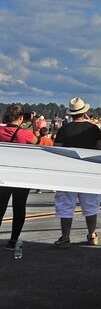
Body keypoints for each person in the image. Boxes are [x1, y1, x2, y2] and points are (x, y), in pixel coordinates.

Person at [53, 96, 101, 248]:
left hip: (68, 171)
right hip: (88, 171)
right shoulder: (94, 129)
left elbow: (57, 149)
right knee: (90, 205)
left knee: (66, 206)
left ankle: (65, 237)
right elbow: (100, 149)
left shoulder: (64, 129)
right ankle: (92, 235)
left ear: (71, 113)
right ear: (84, 112)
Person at [0, 104, 37, 250]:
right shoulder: (24, 134)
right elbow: (37, 141)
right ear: (21, 118)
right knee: (19, 208)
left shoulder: (1, 131)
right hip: (21, 176)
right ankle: (13, 241)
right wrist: (32, 123)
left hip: (3, 174)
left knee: (0, 207)